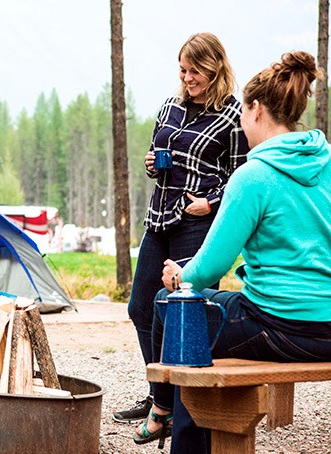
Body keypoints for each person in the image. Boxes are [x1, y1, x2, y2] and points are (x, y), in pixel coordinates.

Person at [140, 50, 331, 452]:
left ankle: (167, 415)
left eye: (243, 114)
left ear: (257, 109)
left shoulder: (252, 176)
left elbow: (210, 268)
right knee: (201, 325)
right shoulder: (327, 165)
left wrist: (179, 276)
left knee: (174, 307)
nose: (241, 125)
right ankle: (171, 415)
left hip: (282, 326)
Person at [113, 32, 249, 425]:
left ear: (215, 69)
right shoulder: (170, 107)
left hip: (198, 223)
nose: (186, 78)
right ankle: (162, 396)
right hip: (159, 218)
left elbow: (241, 178)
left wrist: (211, 202)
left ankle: (186, 405)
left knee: (186, 311)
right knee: (141, 309)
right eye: (183, 70)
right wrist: (152, 164)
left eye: (194, 71)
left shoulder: (232, 117)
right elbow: (155, 158)